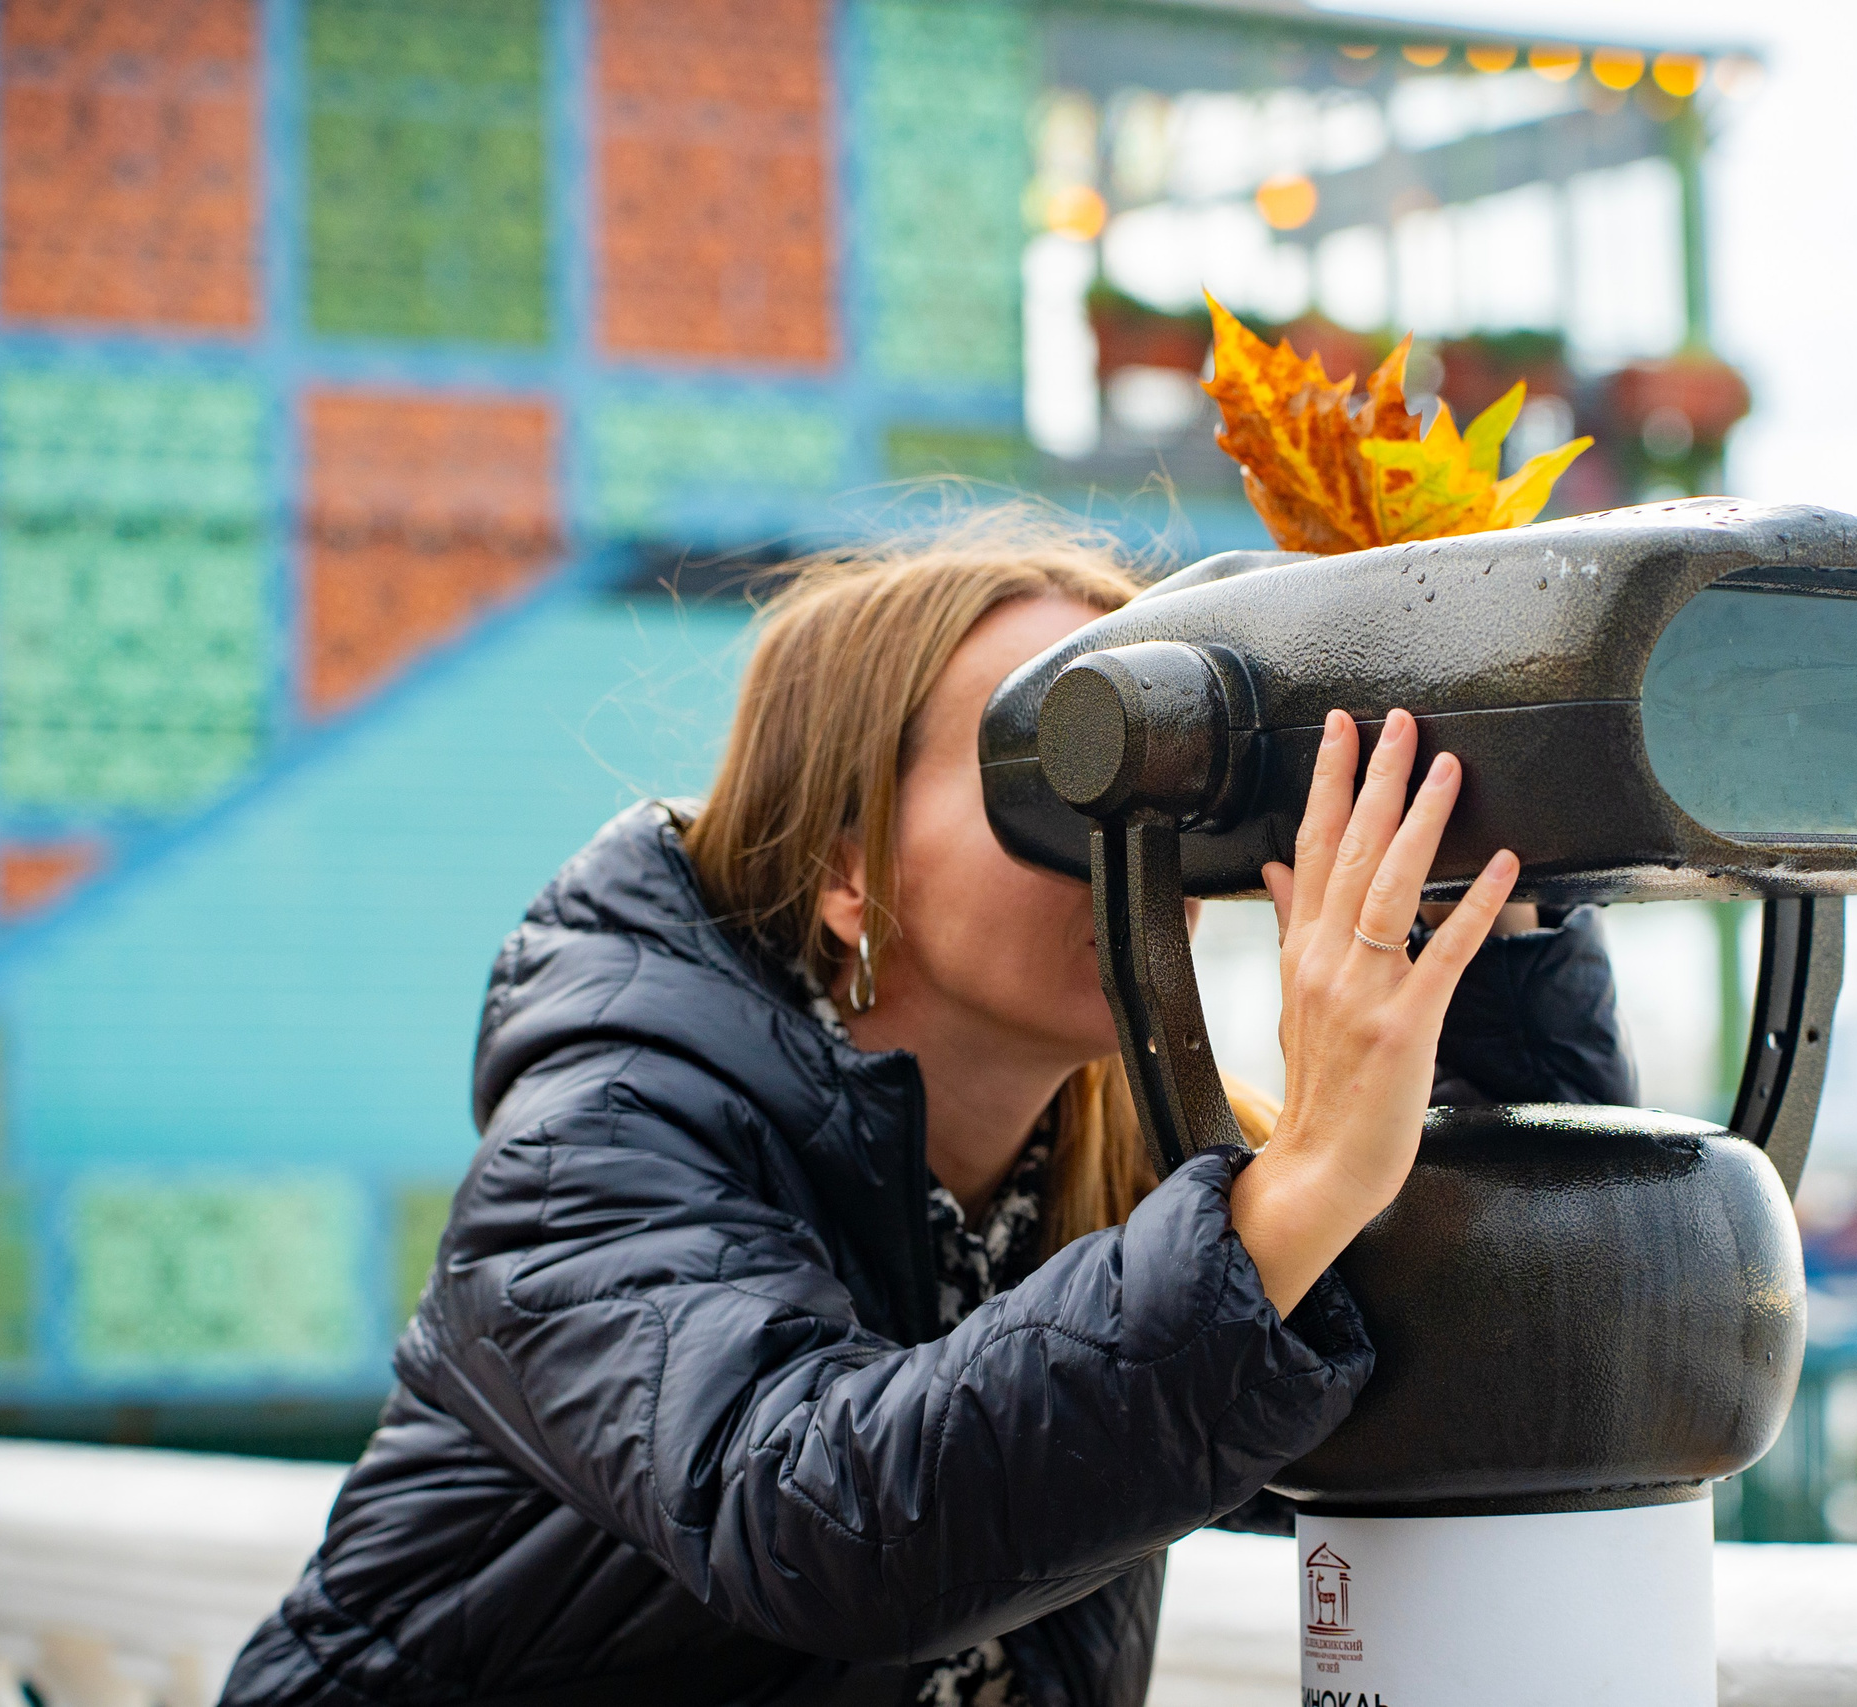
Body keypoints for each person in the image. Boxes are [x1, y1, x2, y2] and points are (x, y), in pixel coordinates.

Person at [220, 511, 1634, 1707]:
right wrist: (1304, 1177)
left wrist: (1488, 896)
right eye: (1068, 769)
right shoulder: (600, 1143)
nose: (1145, 847)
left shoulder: (1148, 1182)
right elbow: (817, 1523)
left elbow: (1490, 1350)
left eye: (1172, 778)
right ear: (849, 864)